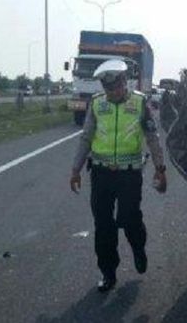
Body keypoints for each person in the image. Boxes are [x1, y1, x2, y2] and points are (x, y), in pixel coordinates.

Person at [69, 59, 167, 292]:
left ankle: (138, 248)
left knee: (130, 218)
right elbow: (85, 138)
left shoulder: (140, 103)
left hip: (129, 176)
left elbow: (152, 138)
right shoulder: (96, 104)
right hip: (101, 175)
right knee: (103, 226)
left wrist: (160, 169)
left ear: (124, 82)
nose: (112, 93)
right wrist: (75, 169)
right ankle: (108, 272)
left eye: (116, 87)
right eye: (107, 89)